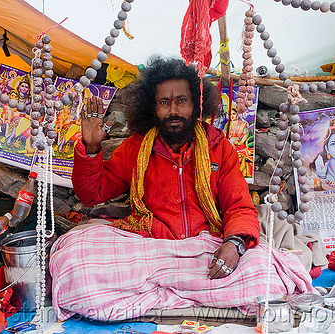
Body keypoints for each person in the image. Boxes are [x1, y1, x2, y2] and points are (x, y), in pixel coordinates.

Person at [72, 56, 260, 280]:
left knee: (267, 271)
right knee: (73, 255)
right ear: (152, 108)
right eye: (164, 102)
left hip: (206, 247)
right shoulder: (137, 146)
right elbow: (92, 194)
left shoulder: (218, 146)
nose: (173, 110)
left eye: (181, 101)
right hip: (149, 247)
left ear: (196, 104)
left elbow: (239, 207)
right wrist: (91, 148)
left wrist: (235, 243)